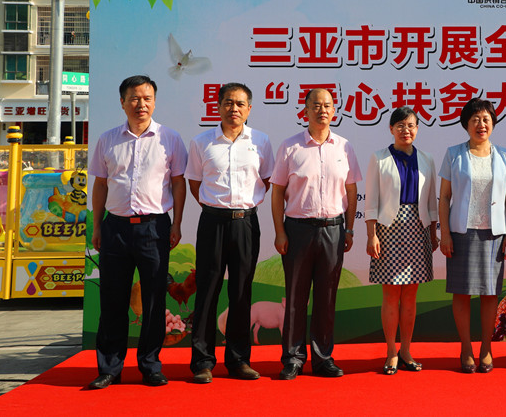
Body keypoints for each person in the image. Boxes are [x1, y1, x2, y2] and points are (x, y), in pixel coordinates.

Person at [86, 75, 187, 390]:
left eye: (147, 98)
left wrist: (177, 224)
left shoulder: (170, 139)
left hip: (154, 228)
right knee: (112, 299)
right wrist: (98, 225)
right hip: (115, 228)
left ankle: (150, 365)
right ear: (122, 102)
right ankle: (110, 369)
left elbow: (178, 183)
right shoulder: (107, 140)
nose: (141, 104)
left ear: (154, 102)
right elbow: (101, 184)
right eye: (134, 98)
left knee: (154, 301)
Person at [185, 82, 274, 383]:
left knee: (241, 292)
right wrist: (216, 207)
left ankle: (238, 360)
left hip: (246, 223)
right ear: (218, 106)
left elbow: (266, 179)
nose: (233, 109)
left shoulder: (261, 141)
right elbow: (194, 182)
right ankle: (202, 361)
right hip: (212, 222)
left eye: (240, 104)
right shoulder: (202, 142)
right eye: (228, 103)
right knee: (207, 291)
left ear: (249, 109)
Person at [271, 88, 361, 379]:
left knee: (326, 297)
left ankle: (323, 359)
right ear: (306, 111)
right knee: (295, 298)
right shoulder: (290, 146)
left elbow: (351, 190)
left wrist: (349, 229)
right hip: (297, 230)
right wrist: (280, 231)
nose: (322, 110)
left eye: (328, 105)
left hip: (333, 230)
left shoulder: (344, 147)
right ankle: (293, 359)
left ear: (334, 111)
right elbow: (277, 192)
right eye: (316, 105)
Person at [439, 98, 506, 374]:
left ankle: (486, 348)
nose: (481, 124)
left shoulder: (504, 155)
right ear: (466, 124)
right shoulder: (454, 154)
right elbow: (444, 196)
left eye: (486, 119)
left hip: (493, 234)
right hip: (461, 232)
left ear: (493, 123)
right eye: (475, 119)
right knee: (461, 293)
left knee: (490, 293)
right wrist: (445, 233)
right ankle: (465, 348)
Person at [364, 106, 440, 375]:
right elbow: (371, 200)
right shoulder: (379, 158)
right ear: (391, 129)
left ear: (417, 129)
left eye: (410, 125)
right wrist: (371, 235)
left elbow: (431, 201)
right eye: (400, 126)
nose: (405, 130)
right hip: (388, 230)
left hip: (418, 229)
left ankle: (406, 350)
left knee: (410, 295)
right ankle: (391, 353)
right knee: (390, 294)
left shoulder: (427, 159)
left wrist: (433, 232)